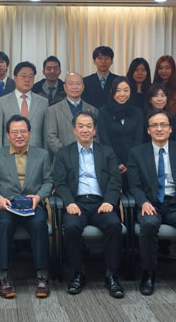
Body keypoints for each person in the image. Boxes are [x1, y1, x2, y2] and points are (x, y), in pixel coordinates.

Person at [127, 110, 176, 297]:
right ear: (148, 130)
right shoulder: (137, 153)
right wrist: (143, 202)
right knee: (149, 224)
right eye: (155, 125)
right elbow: (134, 186)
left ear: (170, 129)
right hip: (151, 204)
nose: (159, 129)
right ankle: (148, 273)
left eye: (163, 125)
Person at [54, 111, 125, 298]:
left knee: (113, 225)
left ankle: (111, 275)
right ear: (74, 130)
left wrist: (110, 201)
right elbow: (59, 183)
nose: (85, 130)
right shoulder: (64, 153)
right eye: (81, 126)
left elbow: (115, 180)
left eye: (89, 126)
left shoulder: (107, 151)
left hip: (101, 203)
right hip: (76, 203)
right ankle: (79, 273)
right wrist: (69, 202)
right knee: (70, 227)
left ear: (94, 130)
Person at [0, 115, 53, 299]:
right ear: (8, 135)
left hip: (32, 204)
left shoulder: (42, 155)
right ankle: (2, 277)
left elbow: (48, 181)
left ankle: (42, 276)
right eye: (14, 132)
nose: (19, 135)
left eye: (23, 131)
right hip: (7, 205)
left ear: (30, 133)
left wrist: (39, 197)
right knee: (3, 224)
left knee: (39, 224)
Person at [97, 76, 144, 189]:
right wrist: (117, 163)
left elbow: (139, 139)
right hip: (110, 163)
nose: (122, 94)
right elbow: (104, 139)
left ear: (131, 92)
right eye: (118, 90)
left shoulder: (137, 112)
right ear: (112, 92)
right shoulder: (103, 112)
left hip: (133, 164)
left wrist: (129, 163)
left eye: (126, 90)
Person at [0, 61, 48, 150]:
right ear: (15, 78)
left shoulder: (43, 102)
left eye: (31, 76)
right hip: (8, 153)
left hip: (36, 155)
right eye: (23, 76)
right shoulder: (1, 102)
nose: (27, 80)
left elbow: (46, 134)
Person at [44, 72, 98, 157]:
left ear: (83, 87)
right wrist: (66, 155)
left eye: (78, 84)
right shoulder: (53, 110)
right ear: (65, 87)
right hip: (63, 160)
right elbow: (51, 137)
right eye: (71, 84)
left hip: (88, 157)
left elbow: (96, 136)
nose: (74, 87)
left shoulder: (93, 110)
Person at [153, 55, 176, 120]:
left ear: (173, 70)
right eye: (160, 68)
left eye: (167, 68)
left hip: (174, 125)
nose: (164, 71)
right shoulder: (152, 87)